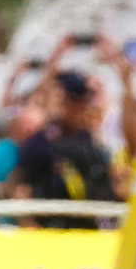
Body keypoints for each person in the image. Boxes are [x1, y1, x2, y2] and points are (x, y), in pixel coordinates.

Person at [13, 71, 117, 224]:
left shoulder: (91, 144)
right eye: (65, 100)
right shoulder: (41, 142)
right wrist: (27, 221)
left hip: (87, 228)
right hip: (48, 228)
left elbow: (103, 188)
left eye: (76, 101)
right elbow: (19, 182)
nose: (69, 107)